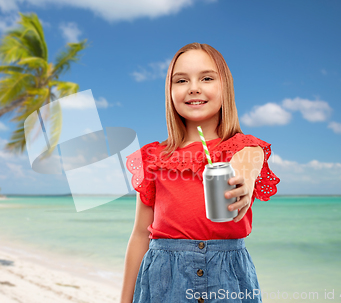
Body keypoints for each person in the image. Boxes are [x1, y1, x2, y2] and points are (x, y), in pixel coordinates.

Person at [120, 43, 280, 303]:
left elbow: (249, 158)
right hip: (164, 282)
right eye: (181, 80)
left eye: (206, 78)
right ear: (170, 91)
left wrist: (246, 178)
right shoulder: (154, 157)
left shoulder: (242, 147)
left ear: (225, 86)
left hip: (228, 279)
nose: (194, 87)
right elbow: (140, 233)